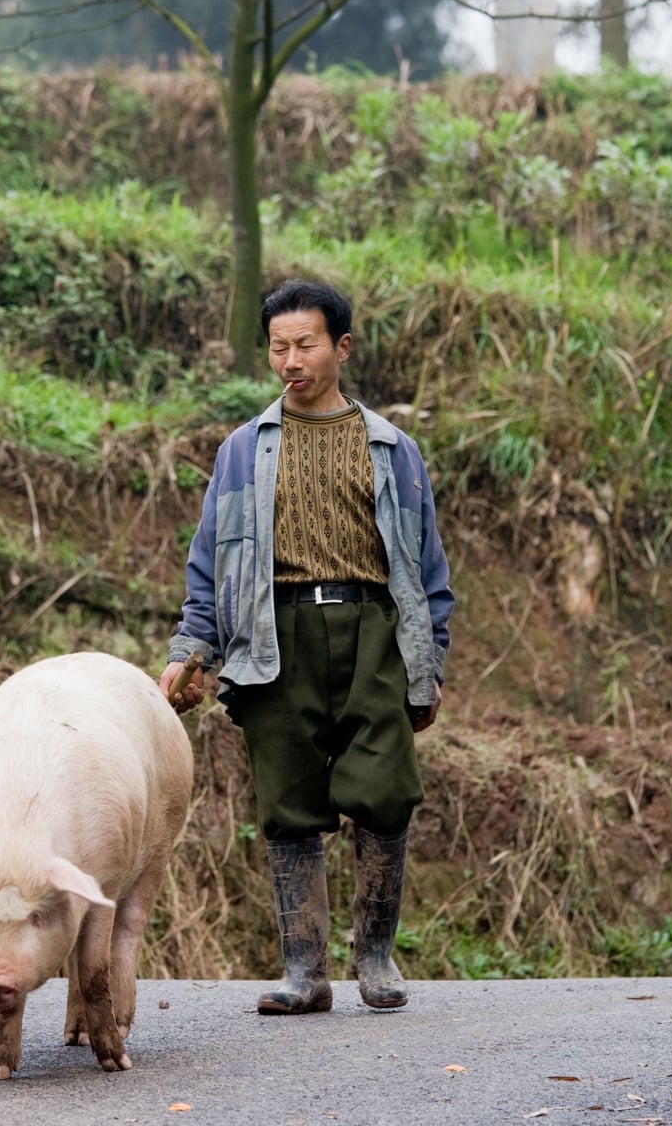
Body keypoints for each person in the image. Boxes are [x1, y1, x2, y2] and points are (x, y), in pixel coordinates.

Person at [158, 278, 454, 1015]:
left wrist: (430, 662)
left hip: (372, 631)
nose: (291, 360)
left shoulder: (392, 448)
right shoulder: (240, 452)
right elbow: (211, 559)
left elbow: (427, 565)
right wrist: (192, 647)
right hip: (272, 633)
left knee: (384, 792)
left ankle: (376, 959)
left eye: (306, 344)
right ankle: (305, 972)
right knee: (289, 802)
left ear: (341, 347)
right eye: (278, 347)